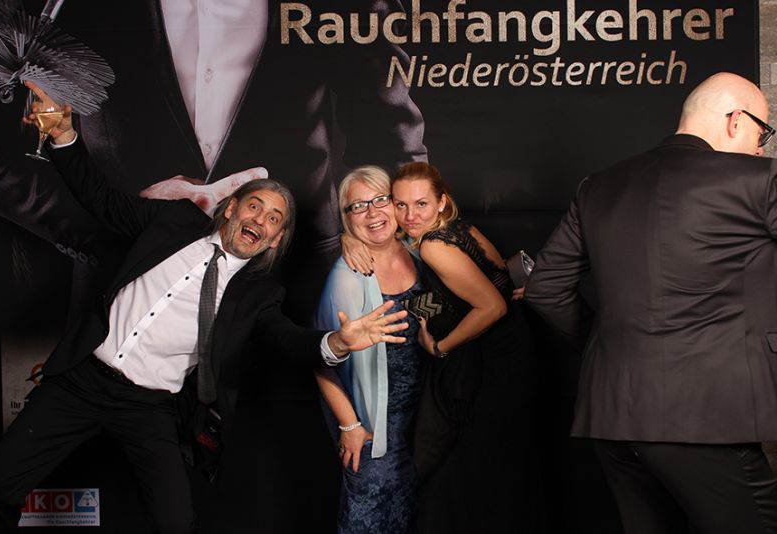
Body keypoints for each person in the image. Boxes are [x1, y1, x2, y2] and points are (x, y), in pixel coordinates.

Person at [0, 1, 427, 527]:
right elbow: (95, 196)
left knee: (178, 522)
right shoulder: (168, 223)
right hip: (81, 377)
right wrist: (63, 137)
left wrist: (337, 342)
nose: (260, 220)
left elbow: (288, 340)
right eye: (254, 207)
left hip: (149, 406)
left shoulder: (257, 295)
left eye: (274, 220)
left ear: (277, 240)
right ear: (229, 207)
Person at [525, 72, 777, 534]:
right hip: (706, 417)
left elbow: (544, 289)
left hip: (614, 413)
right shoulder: (761, 181)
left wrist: (608, 343)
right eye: (763, 133)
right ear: (736, 120)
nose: (761, 149)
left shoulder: (599, 186)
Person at [343, 162, 541, 533]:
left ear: (441, 202)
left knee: (478, 473)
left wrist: (438, 346)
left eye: (421, 204)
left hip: (493, 366)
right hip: (514, 353)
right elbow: (498, 279)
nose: (409, 215)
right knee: (498, 470)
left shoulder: (434, 245)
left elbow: (493, 306)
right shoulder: (459, 228)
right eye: (400, 205)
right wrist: (348, 238)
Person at [315, 166, 424, 533]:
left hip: (421, 419)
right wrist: (350, 426)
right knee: (370, 515)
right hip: (372, 426)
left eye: (380, 200)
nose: (372, 212)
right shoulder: (346, 276)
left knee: (411, 513)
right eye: (358, 206)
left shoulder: (420, 251)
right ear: (346, 218)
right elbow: (320, 360)